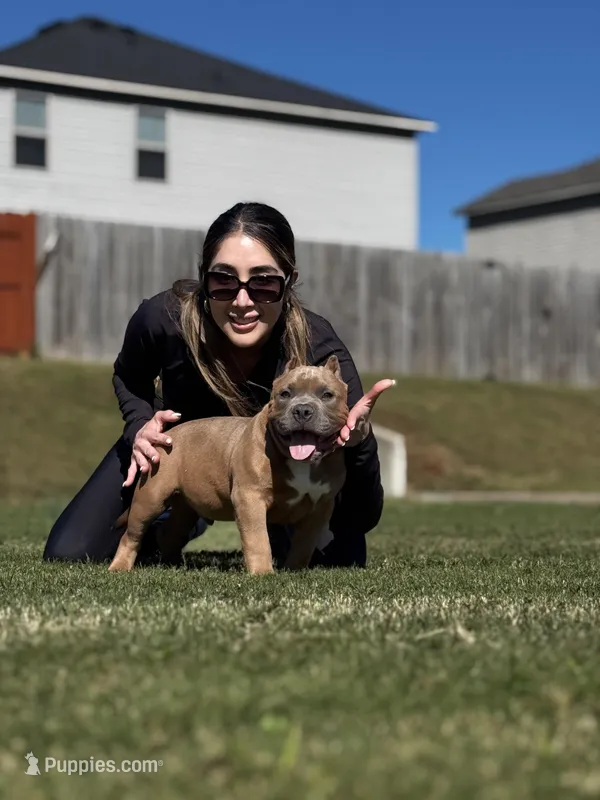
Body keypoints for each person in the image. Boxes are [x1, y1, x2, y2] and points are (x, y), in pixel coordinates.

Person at [43, 202, 393, 568]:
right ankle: (190, 507)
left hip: (279, 474)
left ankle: (230, 520)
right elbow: (130, 376)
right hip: (175, 448)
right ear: (204, 277)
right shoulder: (164, 319)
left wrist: (360, 442)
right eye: (223, 281)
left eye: (263, 282)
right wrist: (139, 426)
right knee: (71, 552)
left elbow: (362, 517)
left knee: (340, 557)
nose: (242, 302)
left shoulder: (318, 349)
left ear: (289, 281)